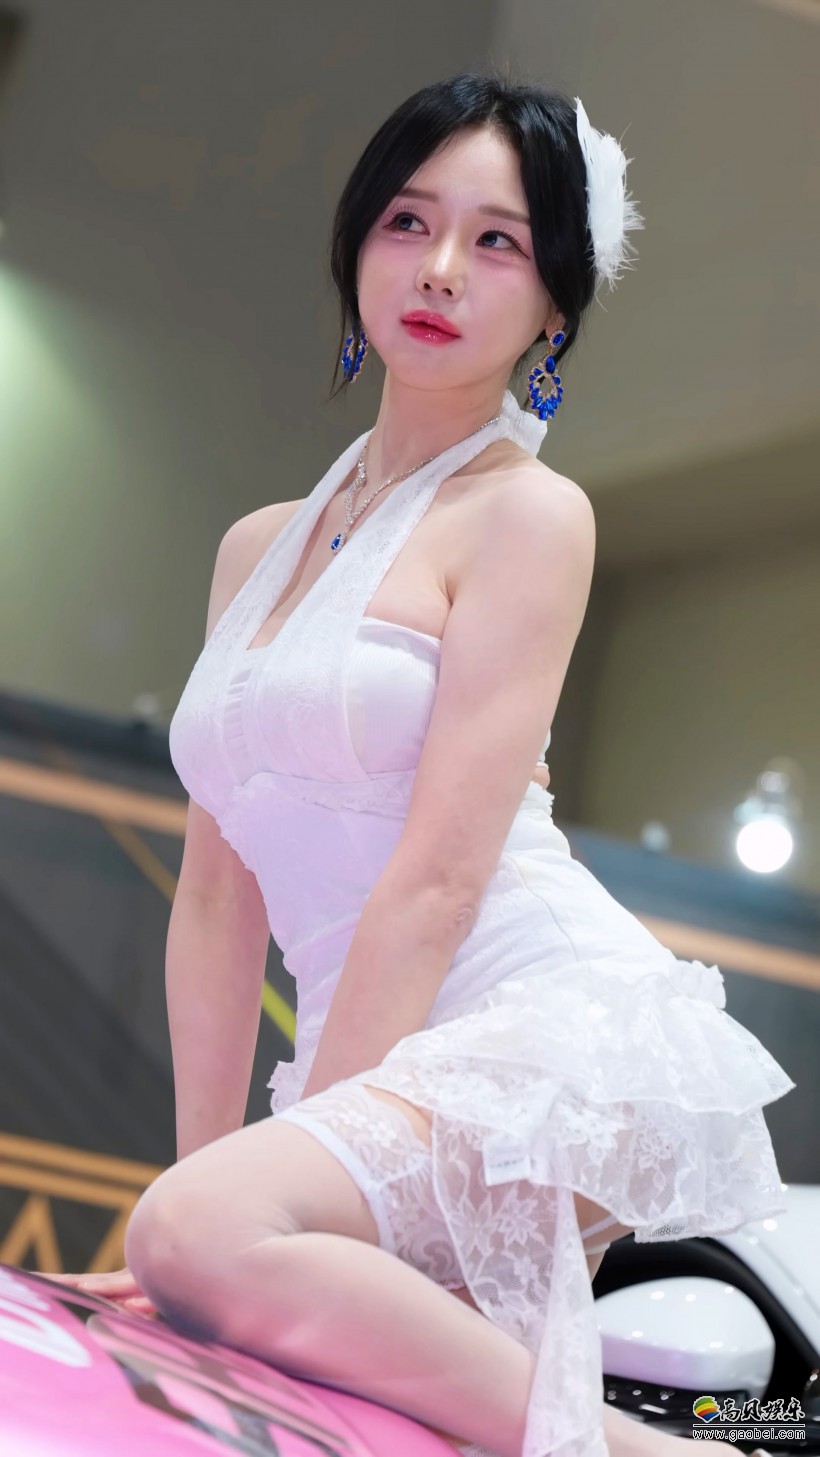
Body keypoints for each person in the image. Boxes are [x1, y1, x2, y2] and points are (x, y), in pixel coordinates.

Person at [53, 72, 791, 1457]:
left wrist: (226, 1212)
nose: (441, 267)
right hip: (376, 1061)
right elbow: (215, 899)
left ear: (555, 302)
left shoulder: (531, 517)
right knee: (209, 1252)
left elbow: (439, 883)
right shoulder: (255, 546)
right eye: (408, 220)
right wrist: (204, 1198)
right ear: (356, 246)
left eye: (498, 240)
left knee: (210, 1239)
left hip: (538, 1029)